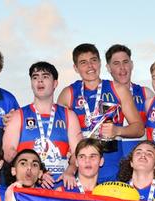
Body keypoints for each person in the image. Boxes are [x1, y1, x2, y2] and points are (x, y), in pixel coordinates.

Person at [57, 43, 144, 182]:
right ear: (75, 68)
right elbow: (59, 132)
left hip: (112, 167)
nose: (90, 66)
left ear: (100, 63)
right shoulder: (68, 93)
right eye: (83, 62)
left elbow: (139, 128)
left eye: (93, 60)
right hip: (82, 169)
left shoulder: (118, 89)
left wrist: (117, 130)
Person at [2, 62, 82, 187]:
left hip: (61, 186)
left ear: (55, 83)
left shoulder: (69, 116)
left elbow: (78, 153)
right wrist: (36, 172)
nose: (39, 80)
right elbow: (8, 152)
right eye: (35, 77)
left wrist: (70, 171)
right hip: (29, 189)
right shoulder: (18, 116)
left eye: (45, 76)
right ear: (31, 84)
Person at [104, 44, 154, 158]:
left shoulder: (146, 93)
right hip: (113, 163)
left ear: (131, 64)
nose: (122, 68)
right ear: (108, 68)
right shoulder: (102, 95)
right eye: (116, 63)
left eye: (125, 62)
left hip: (142, 161)